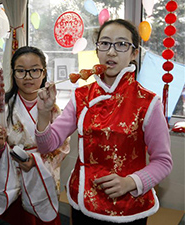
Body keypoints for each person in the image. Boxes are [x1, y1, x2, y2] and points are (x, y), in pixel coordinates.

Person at [35, 19, 173, 225]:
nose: (111, 52)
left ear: (134, 53)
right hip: (83, 202)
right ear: (97, 50)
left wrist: (131, 182)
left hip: (129, 206)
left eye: (121, 44)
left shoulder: (147, 102)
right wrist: (44, 113)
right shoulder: (81, 96)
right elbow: (47, 146)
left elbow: (163, 161)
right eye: (105, 43)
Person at [0, 46, 70, 225]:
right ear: (13, 74)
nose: (28, 77)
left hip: (39, 180)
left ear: (44, 73)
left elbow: (61, 148)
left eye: (34, 70)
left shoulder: (53, 110)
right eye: (21, 71)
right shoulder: (1, 107)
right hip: (8, 179)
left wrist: (35, 161)